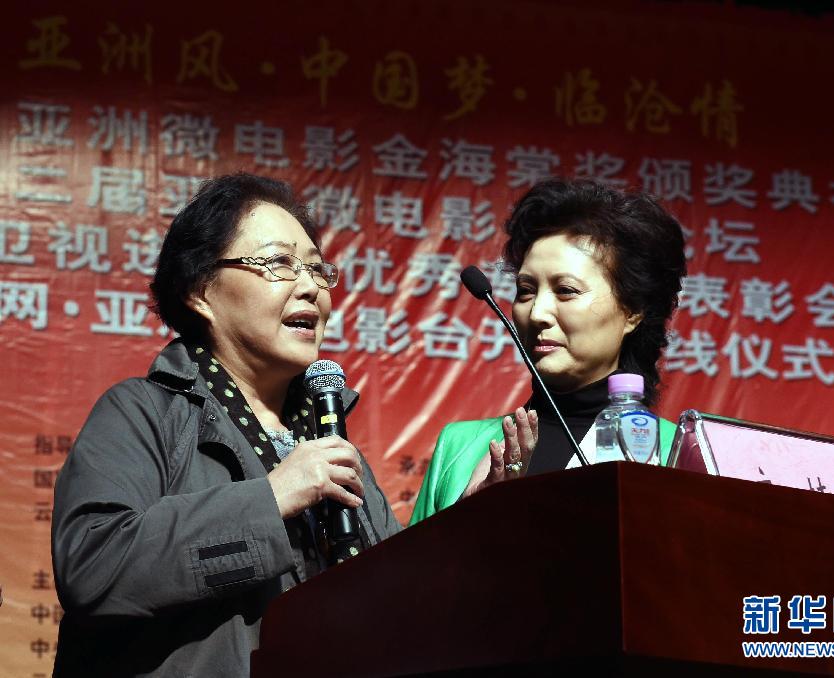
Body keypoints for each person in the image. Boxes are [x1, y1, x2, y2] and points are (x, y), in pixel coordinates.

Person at [51, 173, 401, 676]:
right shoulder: (142, 412)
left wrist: (469, 524)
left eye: (316, 268)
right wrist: (271, 498)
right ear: (201, 291)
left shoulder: (330, 442)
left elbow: (396, 603)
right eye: (279, 263)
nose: (311, 287)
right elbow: (93, 567)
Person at [410, 178, 687, 524]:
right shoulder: (459, 446)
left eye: (566, 290)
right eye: (526, 290)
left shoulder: (681, 454)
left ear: (632, 310)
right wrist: (469, 517)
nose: (537, 313)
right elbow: (412, 562)